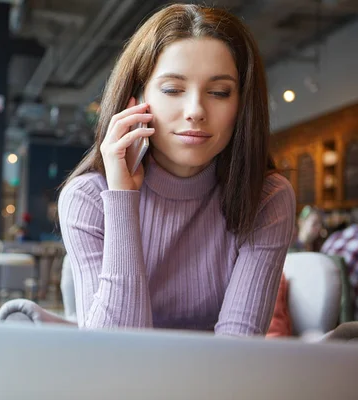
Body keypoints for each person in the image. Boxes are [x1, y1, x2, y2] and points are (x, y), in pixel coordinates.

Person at [57, 4, 296, 336]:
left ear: (241, 106)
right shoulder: (88, 199)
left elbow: (237, 353)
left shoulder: (267, 198)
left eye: (219, 92)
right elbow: (112, 353)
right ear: (134, 101)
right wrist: (122, 199)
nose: (196, 110)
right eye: (172, 89)